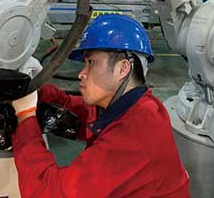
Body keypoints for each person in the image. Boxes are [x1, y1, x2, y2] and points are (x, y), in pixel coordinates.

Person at [11, 14, 190, 197]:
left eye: (91, 63)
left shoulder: (133, 135)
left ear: (122, 69)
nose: (81, 73)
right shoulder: (135, 106)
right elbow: (76, 109)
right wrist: (38, 87)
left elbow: (49, 192)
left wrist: (26, 116)